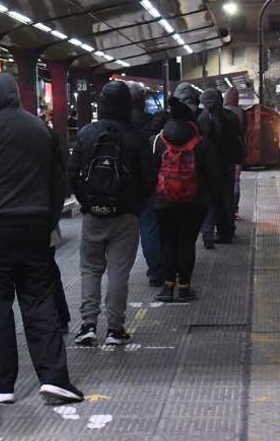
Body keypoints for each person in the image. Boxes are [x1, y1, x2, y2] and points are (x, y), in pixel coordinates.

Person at [0, 74, 84, 405]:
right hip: (34, 229)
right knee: (39, 302)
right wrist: (48, 221)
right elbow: (58, 182)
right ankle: (54, 378)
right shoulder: (41, 130)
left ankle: (1, 385)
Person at [68, 81, 156, 346]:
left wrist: (86, 202)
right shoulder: (135, 136)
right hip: (126, 215)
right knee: (119, 271)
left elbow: (71, 173)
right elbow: (149, 178)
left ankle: (87, 325)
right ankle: (115, 329)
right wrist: (136, 205)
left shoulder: (86, 133)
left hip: (94, 214)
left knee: (90, 269)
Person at [152, 97, 224, 302]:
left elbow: (150, 172)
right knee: (186, 243)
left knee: (168, 242)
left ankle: (167, 288)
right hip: (194, 202)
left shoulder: (158, 141)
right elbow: (214, 177)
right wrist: (209, 197)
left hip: (163, 201)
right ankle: (184, 288)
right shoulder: (201, 144)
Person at [197, 89, 244, 245]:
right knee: (227, 197)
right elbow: (239, 139)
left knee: (211, 199)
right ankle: (227, 231)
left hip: (209, 166)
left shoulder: (203, 118)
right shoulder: (231, 116)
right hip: (227, 164)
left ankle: (209, 231)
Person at [129, 82, 164, 287]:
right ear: (143, 100)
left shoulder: (118, 125)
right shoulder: (154, 123)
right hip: (150, 184)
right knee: (149, 228)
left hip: (124, 186)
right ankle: (156, 272)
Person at [223, 88, 248, 218]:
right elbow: (244, 133)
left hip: (223, 153)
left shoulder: (220, 112)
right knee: (236, 180)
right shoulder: (241, 112)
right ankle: (234, 209)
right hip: (237, 151)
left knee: (225, 182)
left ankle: (226, 211)